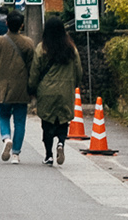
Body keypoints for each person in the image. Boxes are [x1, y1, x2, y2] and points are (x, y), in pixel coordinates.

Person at [29, 16, 83, 166]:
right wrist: (74, 85)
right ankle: (61, 142)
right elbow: (78, 70)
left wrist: (32, 88)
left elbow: (35, 71)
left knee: (47, 123)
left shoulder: (42, 48)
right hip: (66, 89)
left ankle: (49, 155)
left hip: (46, 90)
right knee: (63, 121)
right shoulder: (71, 48)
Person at [0, 11, 35, 161]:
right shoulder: (28, 43)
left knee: (3, 115)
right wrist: (32, 87)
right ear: (22, 25)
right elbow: (32, 67)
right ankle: (16, 153)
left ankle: (6, 138)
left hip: (2, 84)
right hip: (21, 86)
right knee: (20, 120)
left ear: (7, 23)